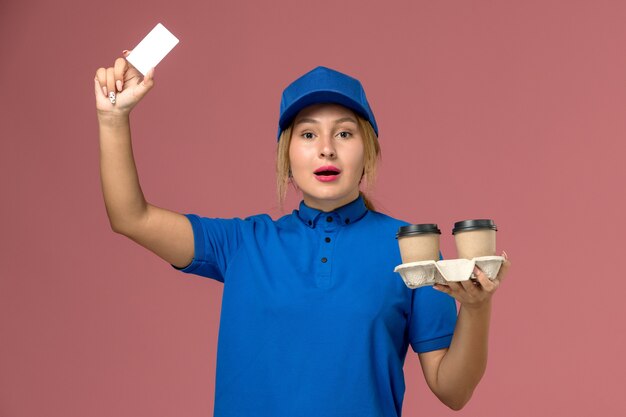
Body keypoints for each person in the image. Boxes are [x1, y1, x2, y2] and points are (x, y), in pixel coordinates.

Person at [94, 55, 511, 416]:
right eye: (308, 134)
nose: (326, 148)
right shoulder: (243, 243)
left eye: (344, 133)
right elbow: (131, 217)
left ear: (368, 151)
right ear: (286, 154)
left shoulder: (412, 251)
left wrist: (477, 308)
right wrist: (112, 118)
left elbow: (452, 391)